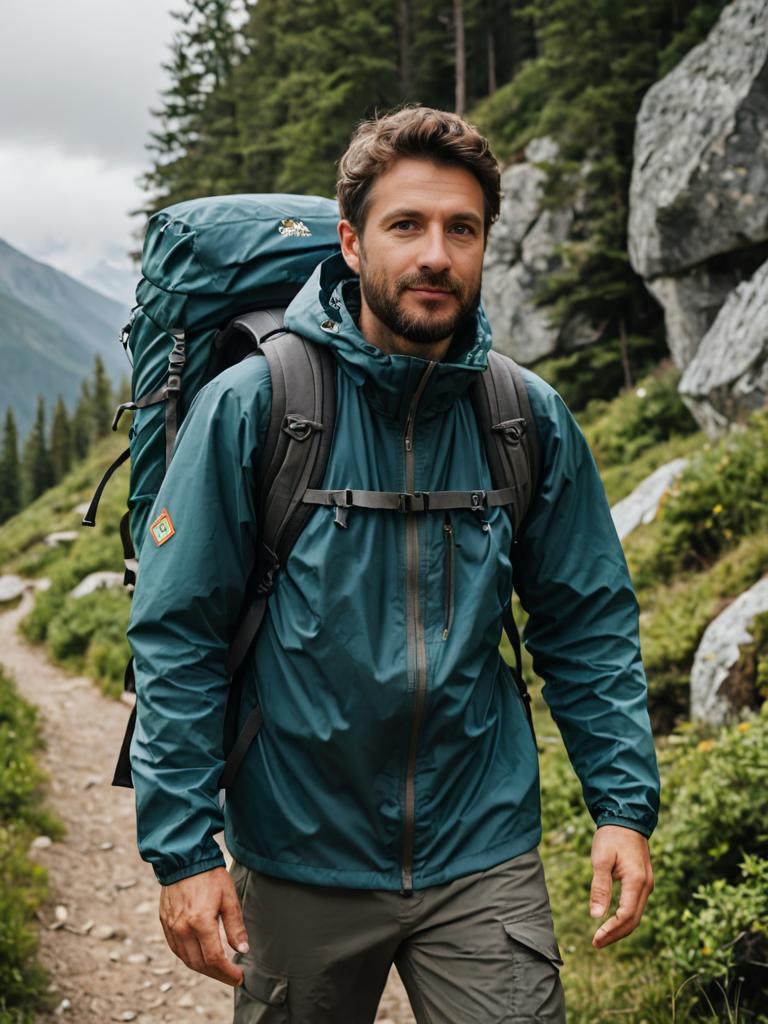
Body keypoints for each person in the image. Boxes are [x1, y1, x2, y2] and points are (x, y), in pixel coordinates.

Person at [127, 106, 660, 1023]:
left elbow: (587, 624)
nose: (435, 256)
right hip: (298, 853)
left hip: (481, 848)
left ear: (487, 242)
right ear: (350, 239)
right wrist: (183, 852)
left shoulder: (524, 418)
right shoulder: (257, 405)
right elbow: (180, 636)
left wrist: (621, 806)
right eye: (405, 225)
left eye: (462, 229)